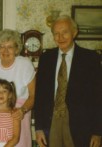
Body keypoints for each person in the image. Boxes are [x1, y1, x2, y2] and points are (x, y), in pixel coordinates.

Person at [34, 15, 102, 147]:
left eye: (65, 32)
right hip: (51, 121)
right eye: (56, 34)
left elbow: (98, 97)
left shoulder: (90, 59)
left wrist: (97, 131)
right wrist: (39, 128)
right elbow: (40, 96)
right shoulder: (46, 58)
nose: (60, 37)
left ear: (74, 32)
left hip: (81, 124)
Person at [0, 29, 36, 147]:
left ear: (16, 49)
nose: (5, 51)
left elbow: (33, 95)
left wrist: (22, 110)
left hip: (19, 113)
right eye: (2, 46)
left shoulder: (25, 64)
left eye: (10, 47)